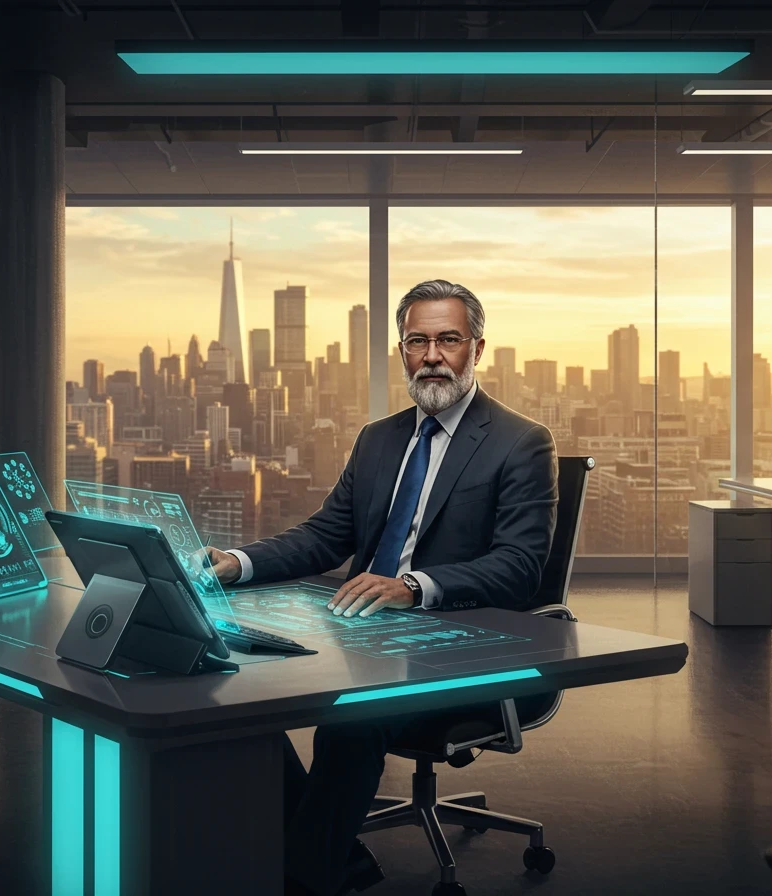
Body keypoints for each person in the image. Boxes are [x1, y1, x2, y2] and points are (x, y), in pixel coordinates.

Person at [205, 279, 558, 896]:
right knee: (236, 694)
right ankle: (336, 860)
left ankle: (304, 880)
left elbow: (520, 566)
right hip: (362, 633)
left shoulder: (521, 442)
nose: (432, 355)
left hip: (463, 647)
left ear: (477, 347)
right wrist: (238, 561)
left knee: (352, 720)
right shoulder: (379, 439)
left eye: (448, 340)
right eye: (417, 341)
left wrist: (414, 586)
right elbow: (325, 536)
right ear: (401, 351)